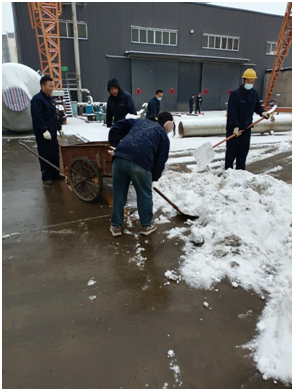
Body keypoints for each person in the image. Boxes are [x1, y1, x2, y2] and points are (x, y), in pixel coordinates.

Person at [108, 112, 174, 237]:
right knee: (144, 194)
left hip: (119, 159)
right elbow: (160, 161)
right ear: (168, 124)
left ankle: (115, 226)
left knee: (119, 193)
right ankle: (146, 225)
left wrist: (115, 144)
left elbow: (118, 125)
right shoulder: (163, 136)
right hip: (140, 163)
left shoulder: (140, 121)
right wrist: (153, 178)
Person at [225, 68, 270, 170]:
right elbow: (232, 112)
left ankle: (241, 173)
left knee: (243, 153)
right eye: (249, 81)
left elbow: (257, 106)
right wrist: (235, 126)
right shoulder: (235, 94)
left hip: (246, 129)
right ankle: (228, 173)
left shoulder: (254, 94)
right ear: (244, 80)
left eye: (253, 81)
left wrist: (263, 112)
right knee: (231, 153)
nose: (251, 83)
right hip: (234, 130)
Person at [31, 76, 65, 187]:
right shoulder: (37, 100)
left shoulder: (49, 99)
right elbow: (37, 117)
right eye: (50, 86)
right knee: (45, 155)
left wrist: (59, 127)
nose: (52, 88)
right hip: (43, 135)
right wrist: (43, 130)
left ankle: (55, 173)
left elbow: (54, 116)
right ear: (42, 86)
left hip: (52, 132)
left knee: (55, 153)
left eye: (52, 86)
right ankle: (46, 177)